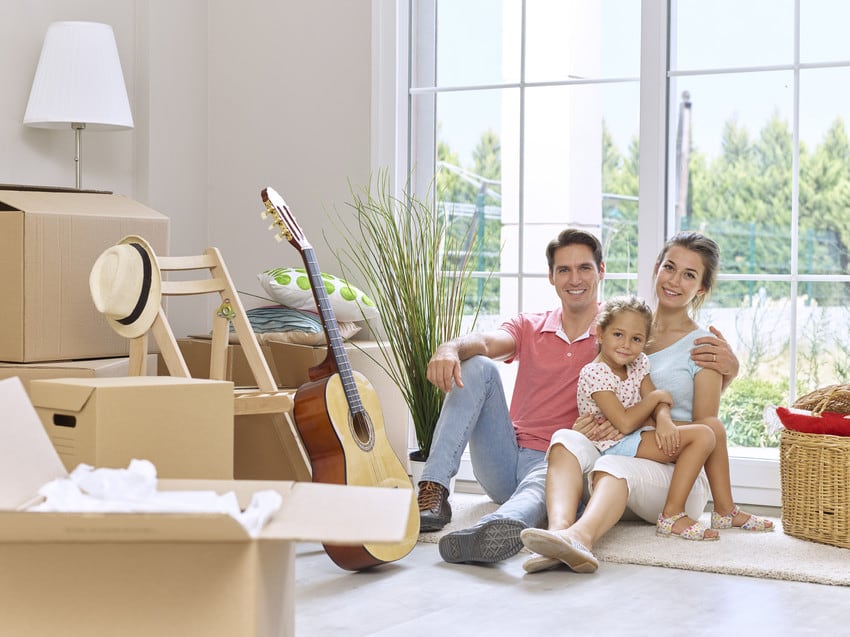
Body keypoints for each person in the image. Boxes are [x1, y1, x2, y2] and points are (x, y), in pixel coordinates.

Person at [416, 228, 739, 565]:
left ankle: (504, 528)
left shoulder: (622, 335)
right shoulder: (555, 327)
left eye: (584, 268)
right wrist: (449, 347)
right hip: (524, 452)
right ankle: (433, 489)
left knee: (558, 462)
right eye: (564, 270)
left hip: (577, 459)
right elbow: (485, 343)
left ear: (601, 272)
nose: (575, 279)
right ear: (552, 277)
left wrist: (728, 372)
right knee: (479, 367)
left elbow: (687, 411)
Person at [520, 232, 773, 574]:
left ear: (701, 288)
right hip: (619, 450)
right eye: (669, 267)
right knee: (565, 439)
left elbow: (705, 430)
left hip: (671, 475)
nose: (674, 280)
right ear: (656, 269)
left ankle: (581, 537)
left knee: (617, 467)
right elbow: (598, 386)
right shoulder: (627, 327)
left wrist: (641, 420)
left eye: (689, 275)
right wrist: (589, 422)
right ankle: (557, 535)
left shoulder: (703, 347)